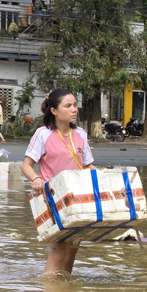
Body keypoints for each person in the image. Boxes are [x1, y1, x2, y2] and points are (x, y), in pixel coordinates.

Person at [21, 88, 96, 275]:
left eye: (75, 105)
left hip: (77, 202)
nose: (74, 109)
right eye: (68, 105)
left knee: (71, 253)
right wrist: (36, 179)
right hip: (53, 202)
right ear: (54, 110)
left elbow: (88, 166)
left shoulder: (81, 134)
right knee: (58, 252)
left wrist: (106, 179)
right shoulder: (43, 134)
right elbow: (26, 166)